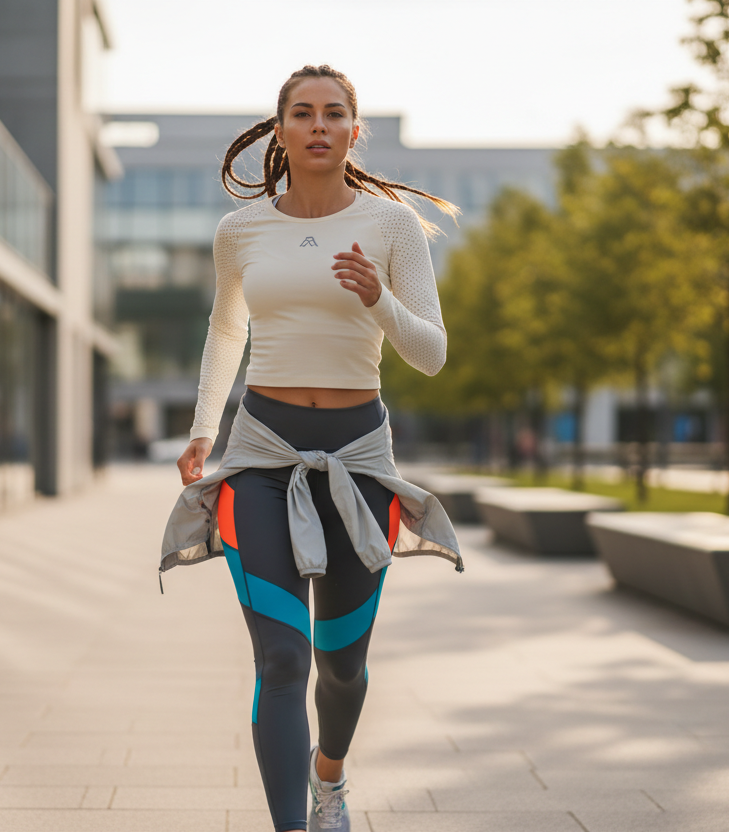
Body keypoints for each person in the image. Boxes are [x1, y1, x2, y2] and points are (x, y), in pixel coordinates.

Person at [161, 65, 463, 832]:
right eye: (303, 113)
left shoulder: (391, 228)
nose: (319, 125)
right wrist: (204, 429)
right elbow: (227, 328)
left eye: (335, 113)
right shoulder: (242, 230)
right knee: (282, 660)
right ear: (282, 129)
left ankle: (329, 779)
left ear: (354, 131)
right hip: (262, 457)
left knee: (341, 665)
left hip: (358, 460)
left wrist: (379, 298)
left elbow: (430, 352)